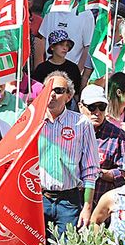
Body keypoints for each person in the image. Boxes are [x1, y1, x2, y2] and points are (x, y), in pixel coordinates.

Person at [37, 73, 99, 236]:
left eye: (58, 90)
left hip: (69, 201)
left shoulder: (82, 123)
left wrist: (87, 207)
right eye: (48, 89)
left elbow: (91, 170)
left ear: (69, 96)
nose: (52, 94)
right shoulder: (32, 121)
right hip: (37, 199)